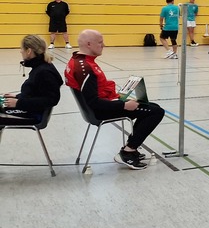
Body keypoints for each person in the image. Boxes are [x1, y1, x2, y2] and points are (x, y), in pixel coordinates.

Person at [65, 30, 165, 170]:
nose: (103, 45)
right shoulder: (85, 68)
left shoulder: (79, 61)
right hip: (100, 111)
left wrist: (120, 98)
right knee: (156, 112)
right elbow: (93, 102)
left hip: (103, 104)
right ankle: (128, 151)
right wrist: (123, 105)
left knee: (152, 107)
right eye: (100, 42)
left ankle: (130, 147)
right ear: (88, 44)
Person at [1, 35, 62, 124]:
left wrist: (19, 103)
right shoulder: (40, 66)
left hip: (34, 114)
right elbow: (36, 92)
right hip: (30, 108)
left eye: (22, 49)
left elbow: (50, 100)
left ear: (29, 51)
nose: (20, 51)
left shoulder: (44, 72)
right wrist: (18, 96)